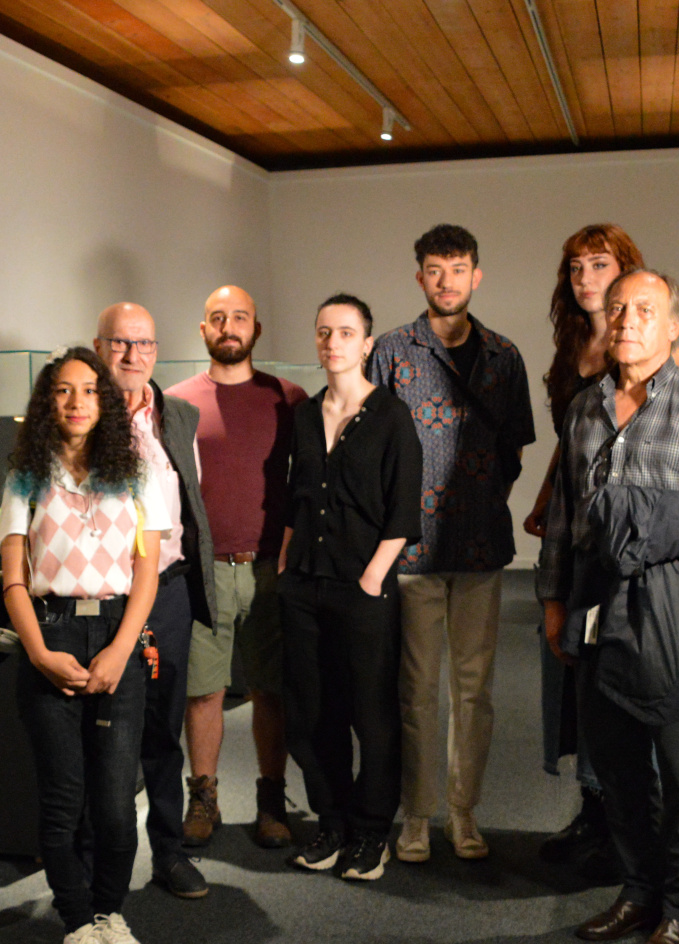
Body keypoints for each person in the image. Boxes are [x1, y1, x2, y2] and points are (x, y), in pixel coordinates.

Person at [538, 270, 679, 944]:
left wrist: (655, 526)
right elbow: (563, 518)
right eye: (618, 309)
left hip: (672, 601)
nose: (626, 319)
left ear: (672, 324)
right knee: (616, 766)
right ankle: (638, 893)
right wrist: (552, 598)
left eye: (644, 309)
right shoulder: (582, 410)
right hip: (593, 599)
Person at [367, 224, 535, 863]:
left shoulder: (503, 356)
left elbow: (513, 447)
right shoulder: (391, 352)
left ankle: (464, 814)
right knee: (415, 690)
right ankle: (418, 815)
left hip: (481, 547)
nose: (446, 281)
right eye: (434, 270)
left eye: (457, 268)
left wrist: (481, 495)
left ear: (476, 275)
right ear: (420, 278)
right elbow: (373, 446)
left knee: (475, 690)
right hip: (411, 551)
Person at [0, 347, 168, 944]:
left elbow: (146, 571)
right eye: (64, 390)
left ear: (106, 400)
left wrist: (122, 649)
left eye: (90, 390)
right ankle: (76, 920)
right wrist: (40, 653)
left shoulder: (136, 469)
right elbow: (13, 577)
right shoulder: (26, 473)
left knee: (117, 798)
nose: (77, 402)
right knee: (63, 797)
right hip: (51, 632)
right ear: (49, 401)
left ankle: (108, 913)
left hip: (118, 633)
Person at [279, 294, 423, 882]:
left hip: (362, 590)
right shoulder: (306, 415)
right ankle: (332, 824)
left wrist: (370, 579)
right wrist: (288, 562)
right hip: (305, 588)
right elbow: (298, 497)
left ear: (367, 344)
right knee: (313, 714)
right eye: (323, 332)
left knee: (371, 714)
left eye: (345, 332)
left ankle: (371, 834)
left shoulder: (391, 415)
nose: (332, 342)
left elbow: (403, 512)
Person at [166, 285, 307, 850]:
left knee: (272, 690)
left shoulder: (289, 399)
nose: (229, 326)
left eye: (240, 317)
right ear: (203, 330)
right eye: (217, 318)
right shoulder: (176, 404)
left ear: (257, 329)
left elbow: (307, 481)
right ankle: (203, 796)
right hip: (204, 569)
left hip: (271, 566)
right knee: (202, 692)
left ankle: (272, 796)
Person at [526, 223, 647, 875]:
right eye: (575, 267)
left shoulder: (647, 349)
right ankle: (595, 814)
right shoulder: (570, 348)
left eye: (599, 264)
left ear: (626, 270)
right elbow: (569, 447)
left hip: (626, 545)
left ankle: (626, 829)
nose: (584, 277)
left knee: (619, 685)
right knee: (576, 680)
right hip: (574, 540)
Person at [93, 302, 217, 899]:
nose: (132, 355)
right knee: (106, 733)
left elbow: (190, 502)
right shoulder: (81, 415)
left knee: (165, 732)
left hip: (166, 592)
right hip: (108, 597)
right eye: (120, 344)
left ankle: (168, 853)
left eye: (143, 344)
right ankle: (97, 864)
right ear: (99, 348)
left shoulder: (178, 415)